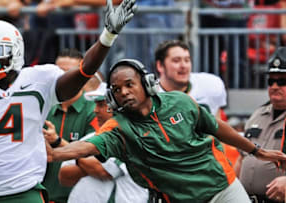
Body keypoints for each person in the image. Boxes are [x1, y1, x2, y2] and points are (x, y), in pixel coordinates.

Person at [0, 0, 137, 202]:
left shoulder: (39, 80)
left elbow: (84, 71)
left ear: (15, 51)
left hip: (27, 190)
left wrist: (107, 37)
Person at [47, 58, 286, 203]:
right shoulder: (119, 127)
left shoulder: (180, 102)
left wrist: (257, 151)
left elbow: (216, 127)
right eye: (117, 90)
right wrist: (56, 153)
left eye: (129, 84)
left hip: (223, 188)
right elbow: (89, 146)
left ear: (147, 84)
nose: (124, 92)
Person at [56, 82, 148, 203]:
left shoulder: (133, 137)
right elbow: (64, 177)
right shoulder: (90, 137)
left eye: (101, 105)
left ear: (118, 106)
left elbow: (103, 171)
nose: (95, 110)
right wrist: (88, 165)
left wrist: (75, 155)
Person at [154, 39, 241, 165]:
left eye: (187, 60)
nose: (183, 65)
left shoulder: (210, 84)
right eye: (176, 60)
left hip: (208, 162)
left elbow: (219, 125)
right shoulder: (149, 97)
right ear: (160, 66)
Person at [42, 48, 100, 203]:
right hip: (44, 196)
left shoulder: (95, 110)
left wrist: (57, 141)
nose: (64, 78)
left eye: (69, 72)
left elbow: (94, 158)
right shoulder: (44, 108)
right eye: (59, 72)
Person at [236, 47, 286, 203]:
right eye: (271, 81)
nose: (275, 86)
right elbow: (241, 158)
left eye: (282, 81)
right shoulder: (258, 113)